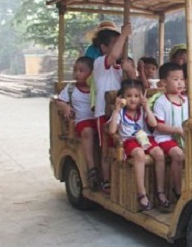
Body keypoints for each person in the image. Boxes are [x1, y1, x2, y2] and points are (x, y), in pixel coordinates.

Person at [108, 79, 166, 211]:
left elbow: (153, 124)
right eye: (129, 96)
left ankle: (160, 192)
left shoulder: (142, 110)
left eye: (137, 96)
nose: (133, 99)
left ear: (142, 97)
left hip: (145, 138)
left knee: (159, 154)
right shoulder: (120, 113)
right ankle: (142, 193)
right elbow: (111, 131)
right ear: (122, 97)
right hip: (129, 140)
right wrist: (116, 110)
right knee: (139, 154)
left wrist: (146, 108)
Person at [93, 22, 136, 193]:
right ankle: (106, 180)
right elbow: (113, 56)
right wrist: (124, 34)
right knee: (106, 147)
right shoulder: (99, 63)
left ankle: (121, 180)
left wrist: (131, 70)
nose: (119, 48)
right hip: (104, 112)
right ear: (104, 47)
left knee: (122, 146)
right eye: (115, 43)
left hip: (122, 114)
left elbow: (135, 85)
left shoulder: (121, 67)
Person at [56, 56, 99, 189]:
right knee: (87, 131)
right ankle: (92, 168)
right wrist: (66, 107)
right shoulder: (71, 88)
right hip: (82, 121)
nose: (77, 74)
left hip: (96, 119)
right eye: (75, 70)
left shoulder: (96, 87)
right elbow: (60, 101)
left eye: (82, 70)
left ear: (91, 73)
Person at [152, 63, 188, 199]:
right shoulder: (161, 102)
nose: (180, 83)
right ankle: (178, 189)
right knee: (179, 155)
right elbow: (158, 126)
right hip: (165, 138)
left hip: (182, 137)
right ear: (164, 82)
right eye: (175, 79)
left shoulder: (186, 101)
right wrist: (177, 130)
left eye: (182, 79)